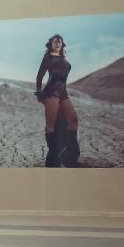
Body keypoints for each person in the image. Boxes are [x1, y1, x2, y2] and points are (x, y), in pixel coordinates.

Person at [35, 34, 80, 167]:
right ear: (51, 44)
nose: (58, 43)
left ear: (62, 44)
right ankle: (53, 157)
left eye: (60, 42)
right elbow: (39, 76)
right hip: (51, 93)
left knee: (73, 120)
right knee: (51, 124)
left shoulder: (62, 58)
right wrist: (39, 92)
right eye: (55, 42)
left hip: (63, 93)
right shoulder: (48, 58)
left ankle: (70, 153)